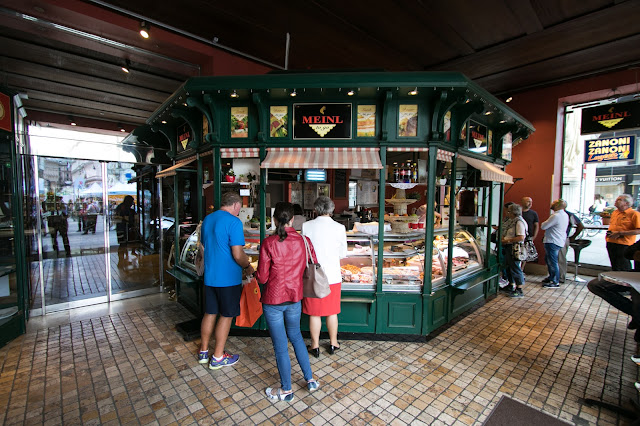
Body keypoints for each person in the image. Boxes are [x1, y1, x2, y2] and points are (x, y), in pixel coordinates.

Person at [255, 202, 320, 402]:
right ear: (293, 219)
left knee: (281, 345)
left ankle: (286, 390)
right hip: (295, 297)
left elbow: (263, 278)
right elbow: (313, 263)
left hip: (273, 300)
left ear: (275, 220)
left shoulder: (269, 242)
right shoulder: (304, 240)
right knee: (297, 337)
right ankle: (310, 380)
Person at [198, 192, 254, 369]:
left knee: (210, 313)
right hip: (228, 279)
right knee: (227, 315)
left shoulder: (208, 219)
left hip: (210, 276)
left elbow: (203, 247)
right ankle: (218, 357)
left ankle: (203, 352)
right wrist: (248, 267)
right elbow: (238, 254)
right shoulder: (234, 222)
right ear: (236, 205)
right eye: (240, 208)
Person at [302, 196, 348, 357]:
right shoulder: (340, 228)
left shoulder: (306, 226)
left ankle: (314, 346)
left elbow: (304, 250)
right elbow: (343, 253)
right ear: (332, 209)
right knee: (332, 311)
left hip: (313, 275)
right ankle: (333, 343)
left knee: (314, 313)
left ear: (315, 209)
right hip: (333, 276)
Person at [605, 194, 640, 271]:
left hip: (624, 244)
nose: (616, 201)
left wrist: (620, 233)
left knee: (623, 266)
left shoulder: (634, 214)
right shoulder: (615, 212)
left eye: (619, 200)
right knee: (614, 265)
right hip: (611, 242)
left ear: (626, 203)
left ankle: (625, 282)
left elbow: (638, 230)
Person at [540, 199, 569, 288]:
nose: (551, 203)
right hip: (559, 240)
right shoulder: (565, 215)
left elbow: (543, 226)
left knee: (552, 261)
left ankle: (554, 281)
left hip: (552, 240)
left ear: (557, 206)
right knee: (549, 259)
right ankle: (552, 277)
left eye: (554, 203)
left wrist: (544, 222)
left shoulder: (556, 216)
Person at [500, 203, 528, 298]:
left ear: (513, 212)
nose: (507, 213)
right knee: (509, 266)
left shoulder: (519, 222)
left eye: (509, 211)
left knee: (515, 267)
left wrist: (507, 240)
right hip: (508, 247)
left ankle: (519, 289)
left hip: (514, 248)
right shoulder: (512, 221)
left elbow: (521, 237)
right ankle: (511, 284)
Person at [558, 204, 584, 283]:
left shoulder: (569, 215)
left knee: (561, 258)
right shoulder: (556, 215)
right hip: (555, 239)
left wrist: (573, 237)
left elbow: (580, 226)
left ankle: (561, 277)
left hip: (563, 239)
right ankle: (554, 275)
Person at [520, 196, 540, 272]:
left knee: (525, 254)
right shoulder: (518, 213)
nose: (530, 203)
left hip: (528, 237)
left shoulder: (533, 213)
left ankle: (521, 270)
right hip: (518, 236)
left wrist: (534, 236)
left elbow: (536, 225)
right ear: (522, 202)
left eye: (531, 202)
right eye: (528, 201)